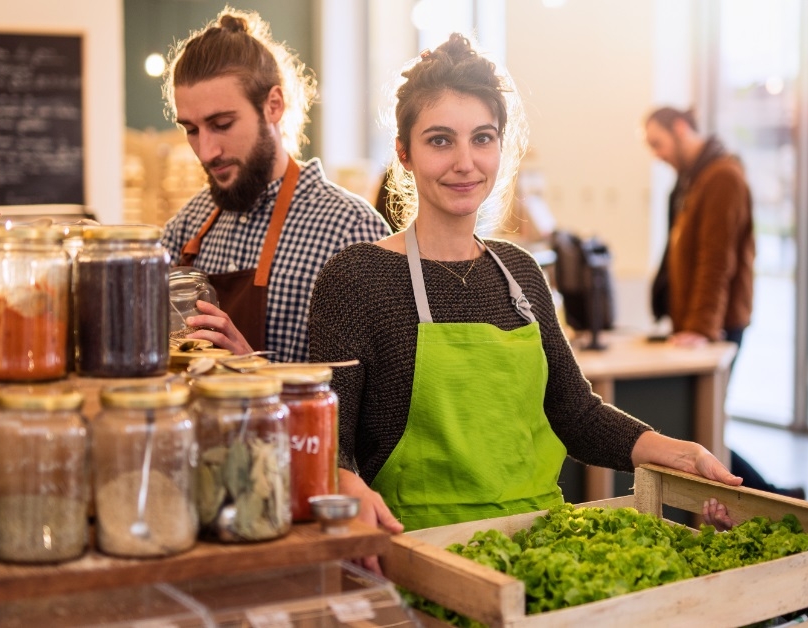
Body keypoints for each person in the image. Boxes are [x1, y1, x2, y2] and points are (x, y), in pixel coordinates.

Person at [307, 35, 741, 559]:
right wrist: (345, 484)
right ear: (404, 152)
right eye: (440, 140)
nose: (465, 162)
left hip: (541, 547)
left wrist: (677, 452)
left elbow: (573, 412)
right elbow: (326, 444)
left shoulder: (520, 274)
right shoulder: (356, 278)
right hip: (419, 554)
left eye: (482, 138)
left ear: (500, 146)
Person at [159, 7, 390, 364]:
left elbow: (375, 399)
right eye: (191, 129)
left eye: (221, 124)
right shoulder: (186, 228)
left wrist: (254, 371)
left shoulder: (351, 231)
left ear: (273, 105)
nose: (206, 150)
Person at [643, 106, 804, 500]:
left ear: (681, 129)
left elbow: (717, 261)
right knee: (704, 425)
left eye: (657, 143)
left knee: (705, 426)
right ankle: (777, 495)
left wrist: (699, 328)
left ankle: (773, 498)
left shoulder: (722, 178)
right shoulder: (694, 179)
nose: (656, 154)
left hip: (716, 326)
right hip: (701, 323)